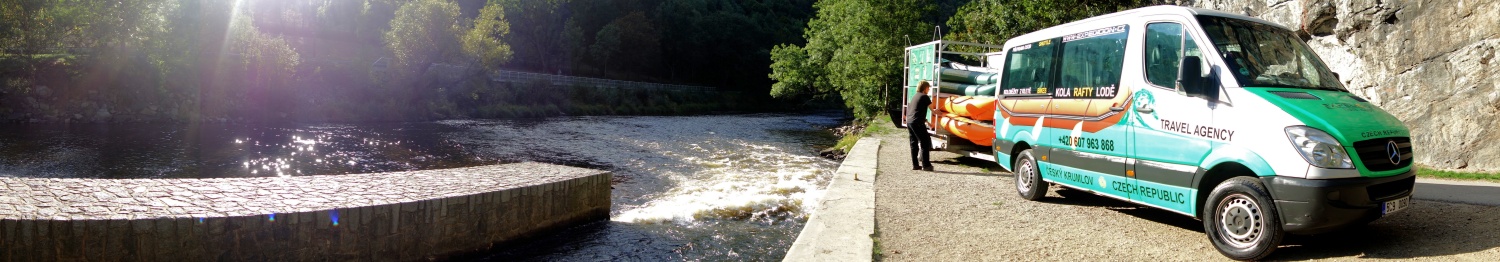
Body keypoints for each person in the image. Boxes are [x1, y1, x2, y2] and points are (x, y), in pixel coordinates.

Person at [905, 82, 934, 171]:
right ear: (925, 88)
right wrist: (940, 113)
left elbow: (916, 111)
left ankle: (915, 165)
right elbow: (933, 109)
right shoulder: (925, 97)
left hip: (910, 122)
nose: (929, 90)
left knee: (914, 143)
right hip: (917, 123)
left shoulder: (916, 96)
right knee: (925, 142)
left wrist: (927, 122)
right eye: (928, 88)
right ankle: (926, 165)